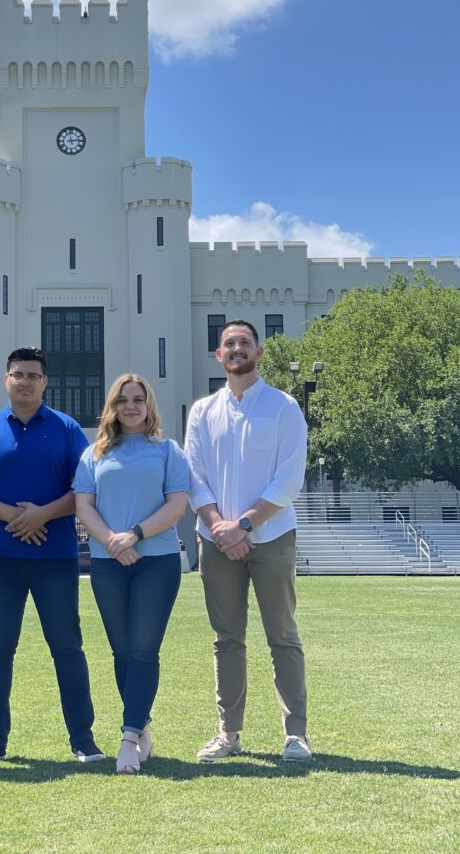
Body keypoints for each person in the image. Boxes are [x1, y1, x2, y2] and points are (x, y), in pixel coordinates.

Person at [0, 346, 104, 766]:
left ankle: (83, 740)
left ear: (45, 382)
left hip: (55, 558)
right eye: (17, 374)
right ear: (6, 380)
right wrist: (13, 516)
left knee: (67, 648)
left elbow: (84, 490)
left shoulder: (67, 429)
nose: (25, 382)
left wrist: (42, 515)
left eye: (33, 376)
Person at [184, 320, 311, 764]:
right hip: (215, 539)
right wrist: (220, 525)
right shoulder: (202, 411)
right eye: (228, 344)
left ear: (259, 352)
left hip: (271, 536)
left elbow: (289, 477)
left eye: (244, 343)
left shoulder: (284, 407)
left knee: (283, 635)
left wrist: (246, 525)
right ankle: (229, 733)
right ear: (218, 356)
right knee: (227, 640)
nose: (236, 350)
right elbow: (193, 475)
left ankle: (295, 734)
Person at [73, 374, 190, 774]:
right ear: (113, 406)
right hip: (108, 563)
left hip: (156, 561)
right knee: (121, 652)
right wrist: (111, 542)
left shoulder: (168, 451)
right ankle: (143, 729)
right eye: (123, 400)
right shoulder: (94, 454)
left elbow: (177, 506)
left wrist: (135, 535)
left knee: (143, 649)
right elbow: (83, 505)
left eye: (138, 400)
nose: (131, 407)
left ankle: (127, 738)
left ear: (148, 405)